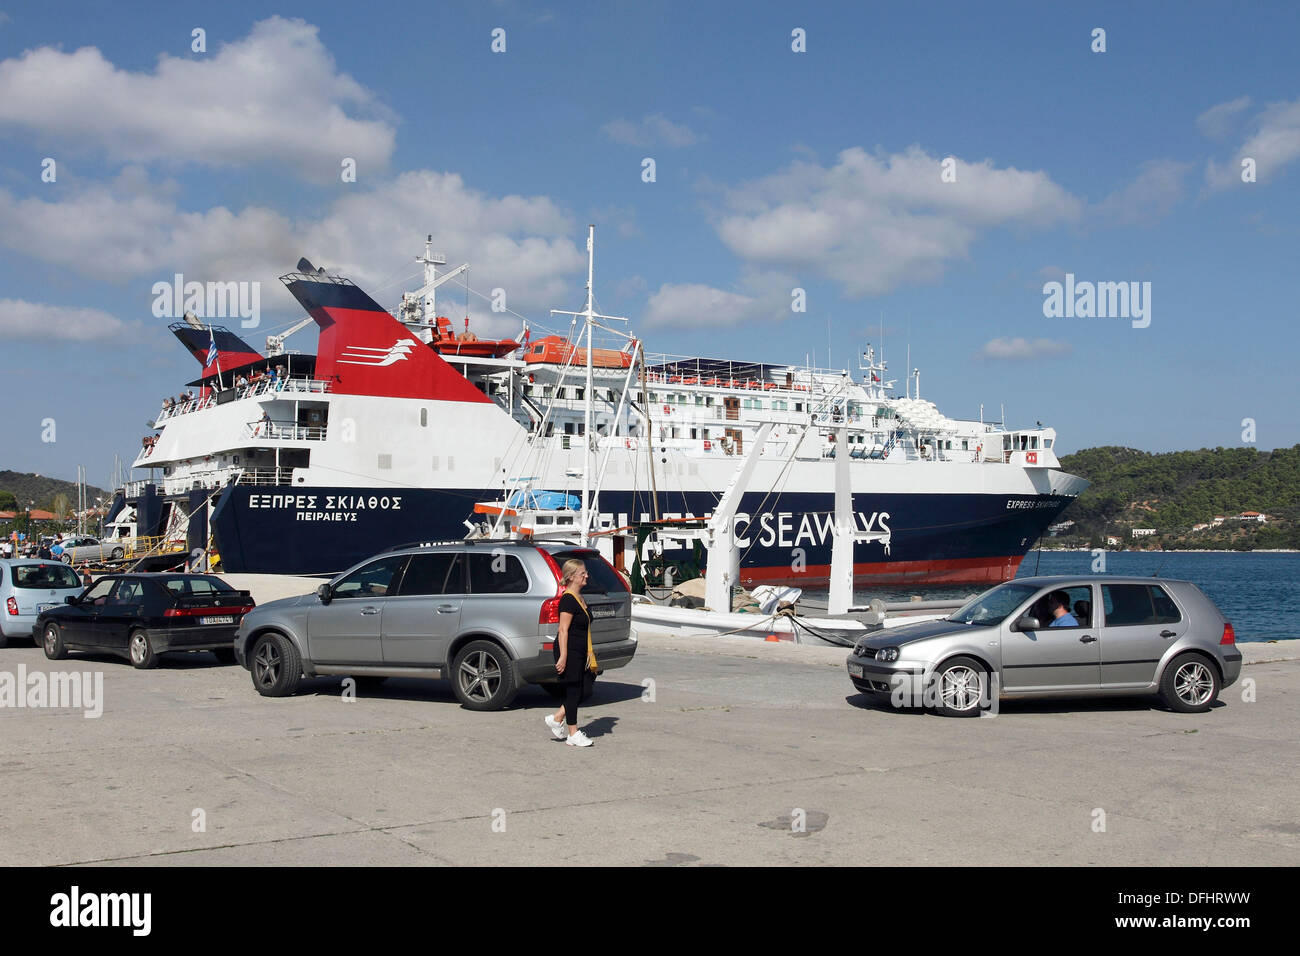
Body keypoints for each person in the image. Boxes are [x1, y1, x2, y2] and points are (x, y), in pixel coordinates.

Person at [545, 559, 597, 747]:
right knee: (573, 690)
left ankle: (557, 718)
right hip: (570, 650)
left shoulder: (579, 598)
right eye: (583, 573)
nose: (586, 576)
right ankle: (573, 733)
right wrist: (564, 656)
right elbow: (563, 630)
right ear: (572, 577)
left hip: (581, 650)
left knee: (582, 689)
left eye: (586, 573)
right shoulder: (568, 599)